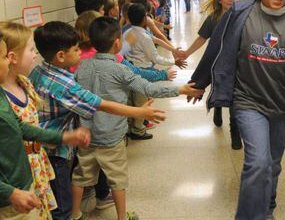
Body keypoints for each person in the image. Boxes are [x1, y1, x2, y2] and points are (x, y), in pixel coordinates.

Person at [188, 0, 285, 219]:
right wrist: (200, 82)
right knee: (257, 162)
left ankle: (266, 207)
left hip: (281, 103)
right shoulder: (239, 12)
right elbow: (217, 48)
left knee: (272, 163)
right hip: (247, 100)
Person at [29, 21, 166, 219]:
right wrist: (139, 112)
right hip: (56, 147)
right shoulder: (64, 82)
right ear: (60, 55)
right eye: (76, 49)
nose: (80, 53)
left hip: (45, 144)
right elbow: (100, 104)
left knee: (68, 187)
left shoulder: (38, 71)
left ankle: (75, 214)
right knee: (62, 205)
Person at [71, 17, 203, 220]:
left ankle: (75, 214)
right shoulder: (120, 69)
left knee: (81, 175)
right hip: (112, 136)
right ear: (117, 42)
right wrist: (181, 90)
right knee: (117, 179)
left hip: (86, 134)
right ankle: (122, 217)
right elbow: (148, 89)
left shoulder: (82, 65)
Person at [0, 28, 90, 220]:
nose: (36, 55)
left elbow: (23, 127)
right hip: (15, 178)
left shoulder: (22, 84)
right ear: (11, 57)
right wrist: (10, 192)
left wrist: (64, 137)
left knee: (45, 209)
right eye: (31, 50)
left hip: (33, 166)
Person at [183, 0, 242, 150]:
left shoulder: (242, 16)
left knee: (235, 98)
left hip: (237, 65)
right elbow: (202, 38)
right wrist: (186, 53)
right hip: (218, 63)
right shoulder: (214, 18)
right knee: (219, 87)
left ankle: (235, 135)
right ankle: (217, 106)